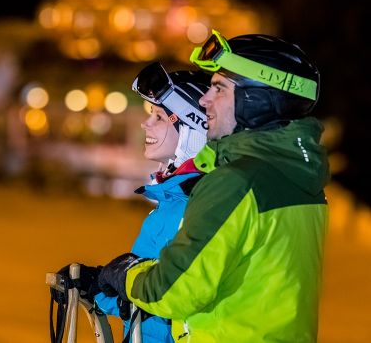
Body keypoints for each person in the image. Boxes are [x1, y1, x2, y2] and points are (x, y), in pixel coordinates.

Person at [97, 29, 329, 343]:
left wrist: (125, 274)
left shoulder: (235, 182)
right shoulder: (301, 179)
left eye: (219, 89)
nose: (206, 99)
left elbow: (173, 290)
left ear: (255, 100)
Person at [51, 63, 210, 343]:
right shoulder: (174, 201)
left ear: (193, 130)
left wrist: (117, 280)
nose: (144, 123)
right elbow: (142, 296)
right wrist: (96, 284)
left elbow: (169, 298)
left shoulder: (197, 206)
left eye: (159, 117)